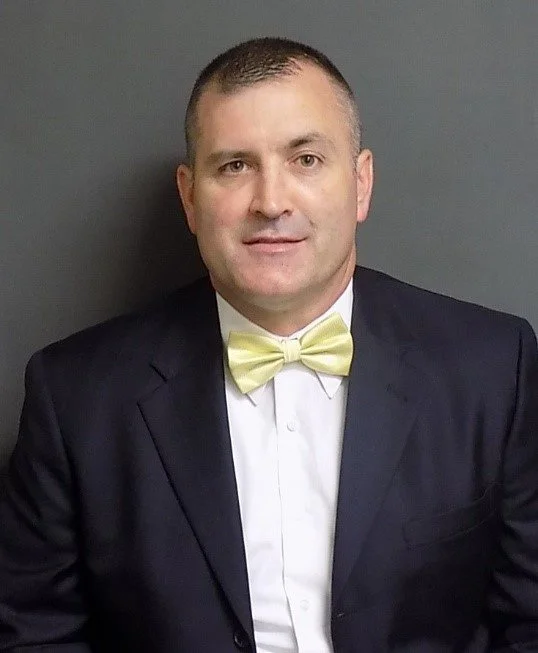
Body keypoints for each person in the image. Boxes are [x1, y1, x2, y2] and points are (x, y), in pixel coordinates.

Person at [0, 36, 537, 653]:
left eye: (306, 159)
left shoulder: (494, 368)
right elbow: (34, 636)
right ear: (190, 197)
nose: (271, 202)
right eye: (235, 166)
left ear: (360, 183)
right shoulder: (73, 397)